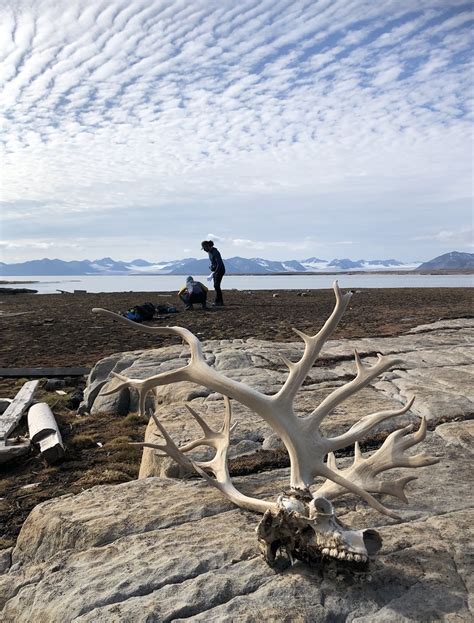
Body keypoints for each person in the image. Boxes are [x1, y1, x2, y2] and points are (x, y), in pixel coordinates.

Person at [201, 240, 225, 306]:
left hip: (220, 270)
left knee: (216, 285)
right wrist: (211, 267)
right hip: (216, 270)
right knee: (216, 286)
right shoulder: (210, 252)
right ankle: (219, 301)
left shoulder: (215, 252)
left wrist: (216, 272)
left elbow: (219, 263)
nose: (204, 250)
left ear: (208, 246)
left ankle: (219, 302)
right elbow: (214, 263)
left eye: (204, 248)